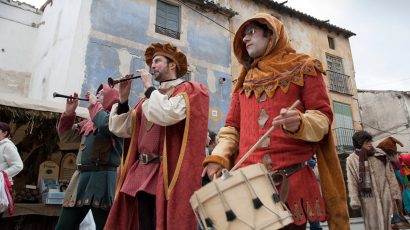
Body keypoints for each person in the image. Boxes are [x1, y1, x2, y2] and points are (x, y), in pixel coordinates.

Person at [202, 13, 349, 229]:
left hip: (291, 184)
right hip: (249, 189)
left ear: (271, 33)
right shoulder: (243, 80)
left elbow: (322, 118)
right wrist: (218, 156)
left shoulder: (305, 66)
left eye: (251, 32)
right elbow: (231, 128)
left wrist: (300, 122)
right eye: (243, 35)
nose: (245, 38)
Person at [105, 43, 209, 230]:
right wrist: (123, 100)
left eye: (158, 61)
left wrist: (148, 89)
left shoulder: (189, 90)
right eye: (152, 62)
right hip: (142, 171)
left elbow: (167, 114)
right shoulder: (149, 98)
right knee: (143, 223)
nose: (152, 66)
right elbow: (124, 128)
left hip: (166, 174)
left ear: (172, 65)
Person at [55, 84, 122, 230]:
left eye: (102, 95)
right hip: (80, 178)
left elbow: (105, 125)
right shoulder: (88, 123)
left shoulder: (117, 120)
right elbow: (66, 138)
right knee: (64, 226)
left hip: (102, 179)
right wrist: (69, 112)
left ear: (112, 99)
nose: (97, 96)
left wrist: (94, 105)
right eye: (97, 94)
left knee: (105, 227)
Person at [346, 131, 401, 230]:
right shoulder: (352, 159)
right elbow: (352, 181)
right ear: (359, 143)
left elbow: (391, 174)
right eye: (367, 141)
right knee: (372, 226)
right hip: (368, 198)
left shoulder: (379, 155)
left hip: (385, 195)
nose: (370, 143)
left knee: (387, 225)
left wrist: (394, 193)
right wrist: (355, 199)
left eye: (370, 141)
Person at [377, 136, 410, 228]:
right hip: (405, 194)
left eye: (390, 153)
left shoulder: (406, 157)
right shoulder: (389, 164)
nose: (388, 156)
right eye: (387, 153)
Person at [0, 122, 23, 218]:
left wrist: (2, 174)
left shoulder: (7, 146)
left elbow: (18, 165)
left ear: (5, 133)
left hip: (1, 186)